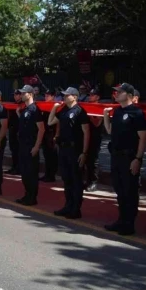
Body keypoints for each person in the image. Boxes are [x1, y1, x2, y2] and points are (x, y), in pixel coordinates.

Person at [103, 83, 146, 236]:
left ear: (129, 95)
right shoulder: (117, 112)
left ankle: (129, 224)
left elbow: (143, 137)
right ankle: (121, 220)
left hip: (129, 157)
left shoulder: (137, 113)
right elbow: (110, 131)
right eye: (115, 92)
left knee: (130, 191)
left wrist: (138, 158)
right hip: (116, 156)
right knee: (120, 190)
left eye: (119, 92)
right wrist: (105, 116)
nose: (116, 94)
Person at [49, 87, 90, 219]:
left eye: (67, 95)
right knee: (66, 179)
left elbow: (86, 133)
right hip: (64, 148)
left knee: (76, 180)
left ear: (75, 97)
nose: (64, 97)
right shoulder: (64, 110)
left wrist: (84, 152)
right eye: (64, 95)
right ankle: (68, 206)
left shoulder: (79, 111)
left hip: (75, 150)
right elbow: (50, 122)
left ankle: (75, 209)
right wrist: (55, 108)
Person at [16, 84, 45, 205]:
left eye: (24, 93)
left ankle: (32, 197)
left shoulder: (34, 109)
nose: (22, 95)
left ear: (31, 94)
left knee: (31, 173)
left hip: (31, 145)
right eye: (21, 93)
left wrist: (36, 146)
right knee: (24, 173)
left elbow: (41, 129)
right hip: (23, 145)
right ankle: (27, 195)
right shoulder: (25, 109)